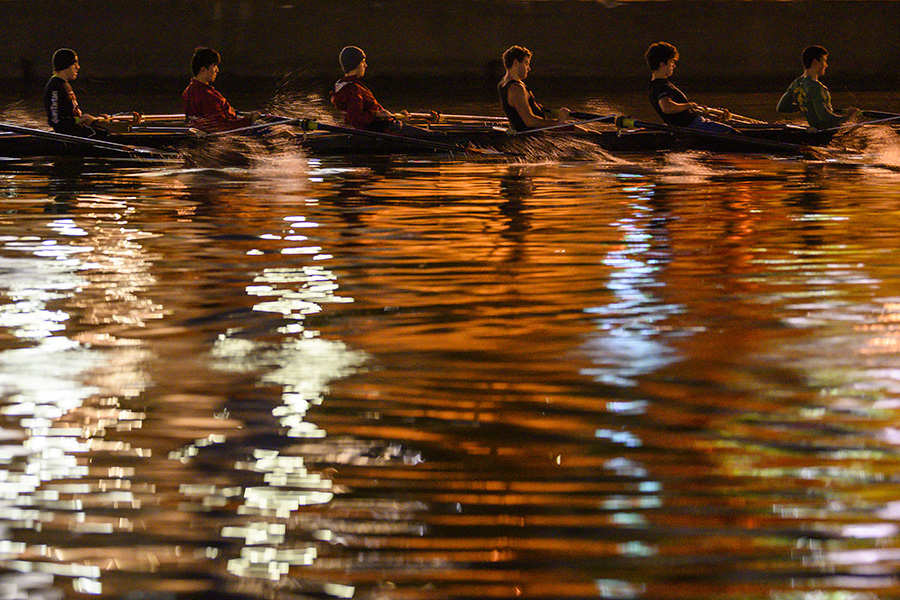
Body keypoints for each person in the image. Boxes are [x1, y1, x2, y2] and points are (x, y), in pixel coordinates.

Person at [331, 46, 434, 139]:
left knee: (430, 133)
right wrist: (377, 114)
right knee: (435, 136)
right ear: (355, 64)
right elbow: (356, 118)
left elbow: (363, 114)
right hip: (385, 130)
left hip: (385, 126)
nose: (365, 65)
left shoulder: (346, 85)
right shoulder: (352, 89)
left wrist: (392, 114)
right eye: (363, 62)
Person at [645, 42, 738, 135]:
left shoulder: (654, 86)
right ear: (662, 64)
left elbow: (679, 114)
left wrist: (712, 113)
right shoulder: (662, 87)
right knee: (733, 133)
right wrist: (688, 105)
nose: (674, 66)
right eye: (671, 62)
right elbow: (667, 107)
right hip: (694, 126)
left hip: (690, 126)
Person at [776, 45, 858, 131]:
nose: (826, 65)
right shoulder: (816, 87)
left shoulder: (796, 83)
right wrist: (849, 115)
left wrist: (806, 105)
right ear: (815, 62)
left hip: (815, 129)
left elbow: (782, 107)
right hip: (827, 133)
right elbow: (825, 118)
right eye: (824, 61)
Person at [182, 47, 259, 132]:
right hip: (228, 135)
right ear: (203, 69)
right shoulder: (206, 95)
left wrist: (234, 113)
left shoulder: (187, 92)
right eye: (214, 66)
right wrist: (249, 120)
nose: (217, 70)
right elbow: (222, 126)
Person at [497, 46, 570, 132]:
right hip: (532, 134)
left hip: (533, 129)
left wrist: (535, 107)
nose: (529, 68)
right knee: (585, 132)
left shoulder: (503, 82)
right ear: (516, 63)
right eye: (526, 63)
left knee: (578, 129)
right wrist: (558, 122)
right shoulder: (516, 89)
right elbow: (529, 122)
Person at [43, 48, 106, 137]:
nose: (78, 67)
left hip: (78, 133)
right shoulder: (55, 87)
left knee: (107, 132)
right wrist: (80, 120)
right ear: (65, 64)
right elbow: (55, 121)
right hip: (71, 138)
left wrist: (91, 119)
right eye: (74, 64)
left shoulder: (64, 84)